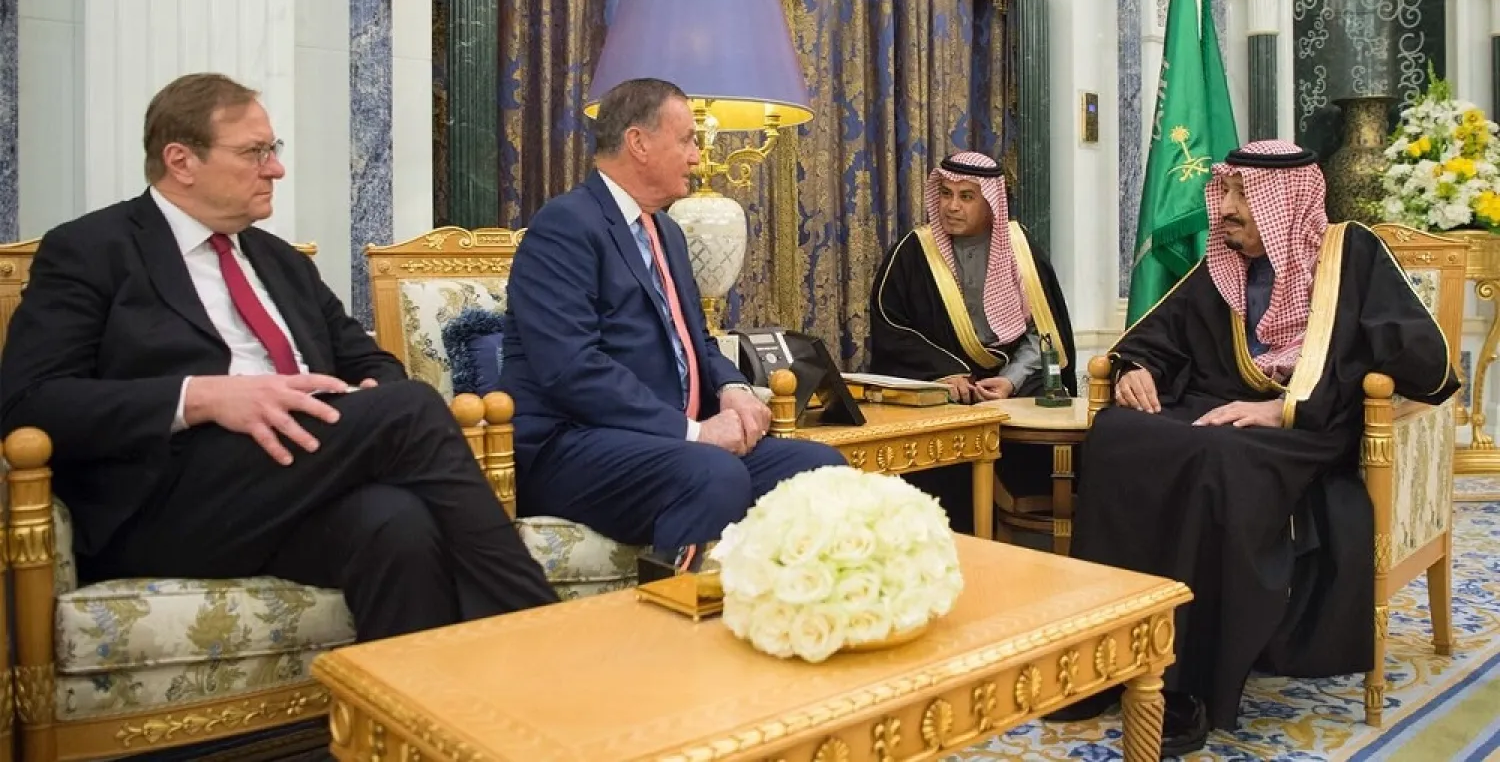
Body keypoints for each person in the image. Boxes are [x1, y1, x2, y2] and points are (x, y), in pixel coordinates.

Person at [0, 73, 557, 641]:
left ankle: (418, 697)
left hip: (290, 481)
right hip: (165, 501)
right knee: (411, 409)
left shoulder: (280, 262)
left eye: (274, 149)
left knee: (397, 524)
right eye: (254, 153)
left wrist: (368, 400)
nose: (276, 169)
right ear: (181, 161)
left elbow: (371, 363)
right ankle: (535, 628)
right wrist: (201, 397)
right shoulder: (92, 250)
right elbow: (29, 402)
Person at [1060, 140, 1458, 754]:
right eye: (1225, 191)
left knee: (1216, 458)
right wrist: (1137, 366)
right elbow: (1163, 332)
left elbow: (1418, 362)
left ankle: (1187, 686)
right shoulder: (1224, 264)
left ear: (1285, 201)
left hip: (1308, 424)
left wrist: (1285, 407)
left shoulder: (1349, 255)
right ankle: (1110, 657)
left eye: (1243, 194)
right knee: (1118, 432)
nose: (1225, 208)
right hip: (1223, 407)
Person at [500, 77, 845, 550]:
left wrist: (733, 387)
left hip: (668, 443)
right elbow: (571, 368)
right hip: (574, 446)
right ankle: (675, 597)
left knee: (822, 470)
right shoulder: (566, 225)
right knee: (713, 474)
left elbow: (696, 339)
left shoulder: (668, 232)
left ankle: (772, 596)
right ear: (638, 142)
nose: (697, 157)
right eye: (686, 140)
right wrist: (694, 432)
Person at [868, 151, 1075, 532]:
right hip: (940, 389)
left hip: (1010, 387)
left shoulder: (1020, 250)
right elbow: (890, 329)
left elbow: (1044, 333)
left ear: (992, 202)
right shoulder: (913, 252)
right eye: (945, 194)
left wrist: (1010, 380)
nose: (951, 207)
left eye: (966, 196)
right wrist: (943, 374)